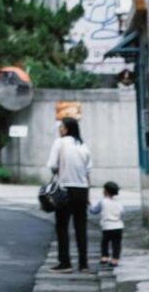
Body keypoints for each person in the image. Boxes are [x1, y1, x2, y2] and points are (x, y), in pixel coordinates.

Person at [46, 116, 93, 274]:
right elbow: (88, 172)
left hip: (65, 190)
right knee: (81, 228)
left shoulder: (59, 142)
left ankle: (65, 263)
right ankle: (84, 264)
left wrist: (59, 169)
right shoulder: (84, 146)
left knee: (62, 227)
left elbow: (52, 165)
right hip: (82, 190)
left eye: (62, 127)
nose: (60, 129)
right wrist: (88, 195)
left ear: (67, 129)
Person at [90, 181, 124, 268]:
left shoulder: (103, 202)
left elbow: (94, 211)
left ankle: (104, 257)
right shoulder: (118, 203)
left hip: (107, 227)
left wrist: (89, 205)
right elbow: (122, 214)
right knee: (116, 244)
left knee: (105, 243)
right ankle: (115, 260)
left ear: (106, 191)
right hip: (118, 226)